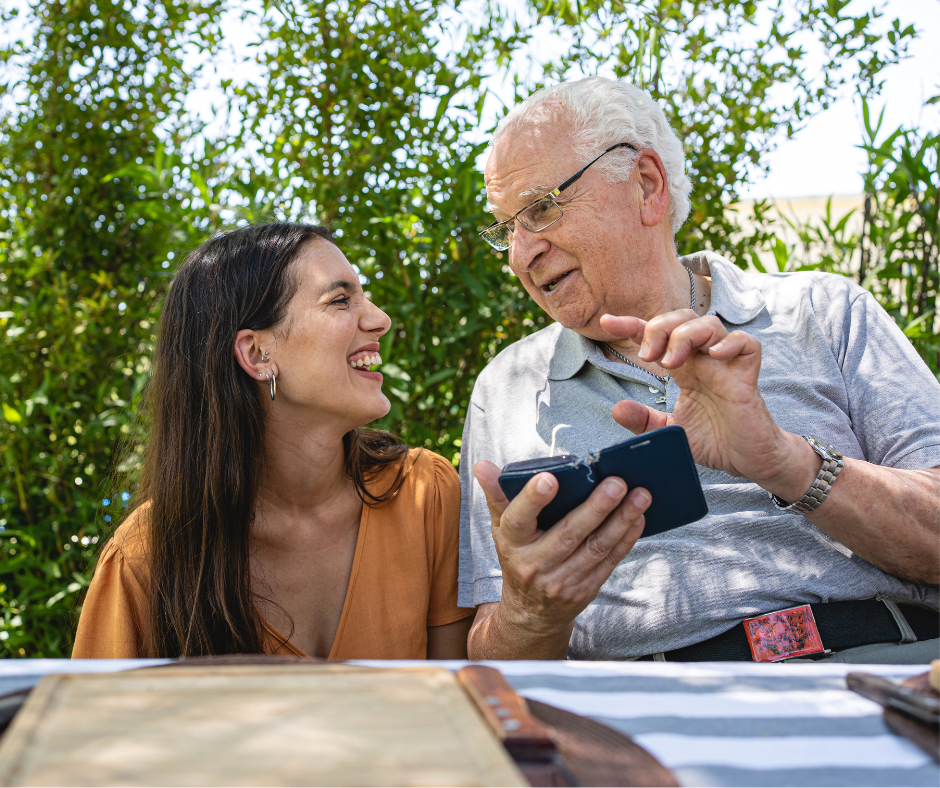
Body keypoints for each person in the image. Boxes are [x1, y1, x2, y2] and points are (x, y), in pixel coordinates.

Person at [458, 76, 940, 663]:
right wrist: (532, 613)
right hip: (641, 713)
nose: (519, 254)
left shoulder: (823, 311)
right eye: (506, 227)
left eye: (540, 208)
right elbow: (491, 652)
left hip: (878, 665)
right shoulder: (506, 387)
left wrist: (785, 461)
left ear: (647, 185)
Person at [74, 223, 472, 660]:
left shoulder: (424, 495)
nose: (380, 319)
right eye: (341, 300)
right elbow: (98, 725)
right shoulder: (147, 556)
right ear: (257, 355)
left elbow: (460, 703)